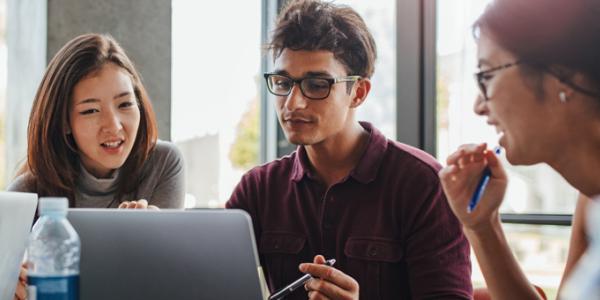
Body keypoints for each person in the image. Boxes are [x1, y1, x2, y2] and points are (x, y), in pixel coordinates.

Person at [226, 0, 472, 299]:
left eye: (317, 85)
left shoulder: (423, 184)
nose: (292, 104)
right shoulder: (259, 188)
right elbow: (205, 278)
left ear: (358, 92)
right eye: (283, 82)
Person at [438, 0, 600, 298]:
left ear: (561, 75)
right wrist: (481, 226)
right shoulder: (591, 201)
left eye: (487, 75)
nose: (478, 106)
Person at [10, 34, 185, 300]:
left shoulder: (164, 162)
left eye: (125, 104)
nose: (114, 125)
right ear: (64, 122)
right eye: (91, 110)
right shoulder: (28, 191)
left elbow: (166, 283)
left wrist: (150, 238)